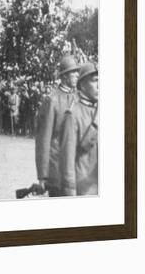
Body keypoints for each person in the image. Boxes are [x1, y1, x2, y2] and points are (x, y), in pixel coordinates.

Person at [34, 55, 80, 197]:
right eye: (74, 72)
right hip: (57, 171)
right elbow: (44, 140)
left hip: (75, 169)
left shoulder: (78, 97)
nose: (77, 75)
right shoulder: (51, 100)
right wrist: (43, 175)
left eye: (77, 72)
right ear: (65, 76)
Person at [59, 62, 98, 196]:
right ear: (82, 85)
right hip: (84, 189)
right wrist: (70, 193)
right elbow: (68, 160)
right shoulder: (72, 114)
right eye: (95, 81)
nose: (100, 86)